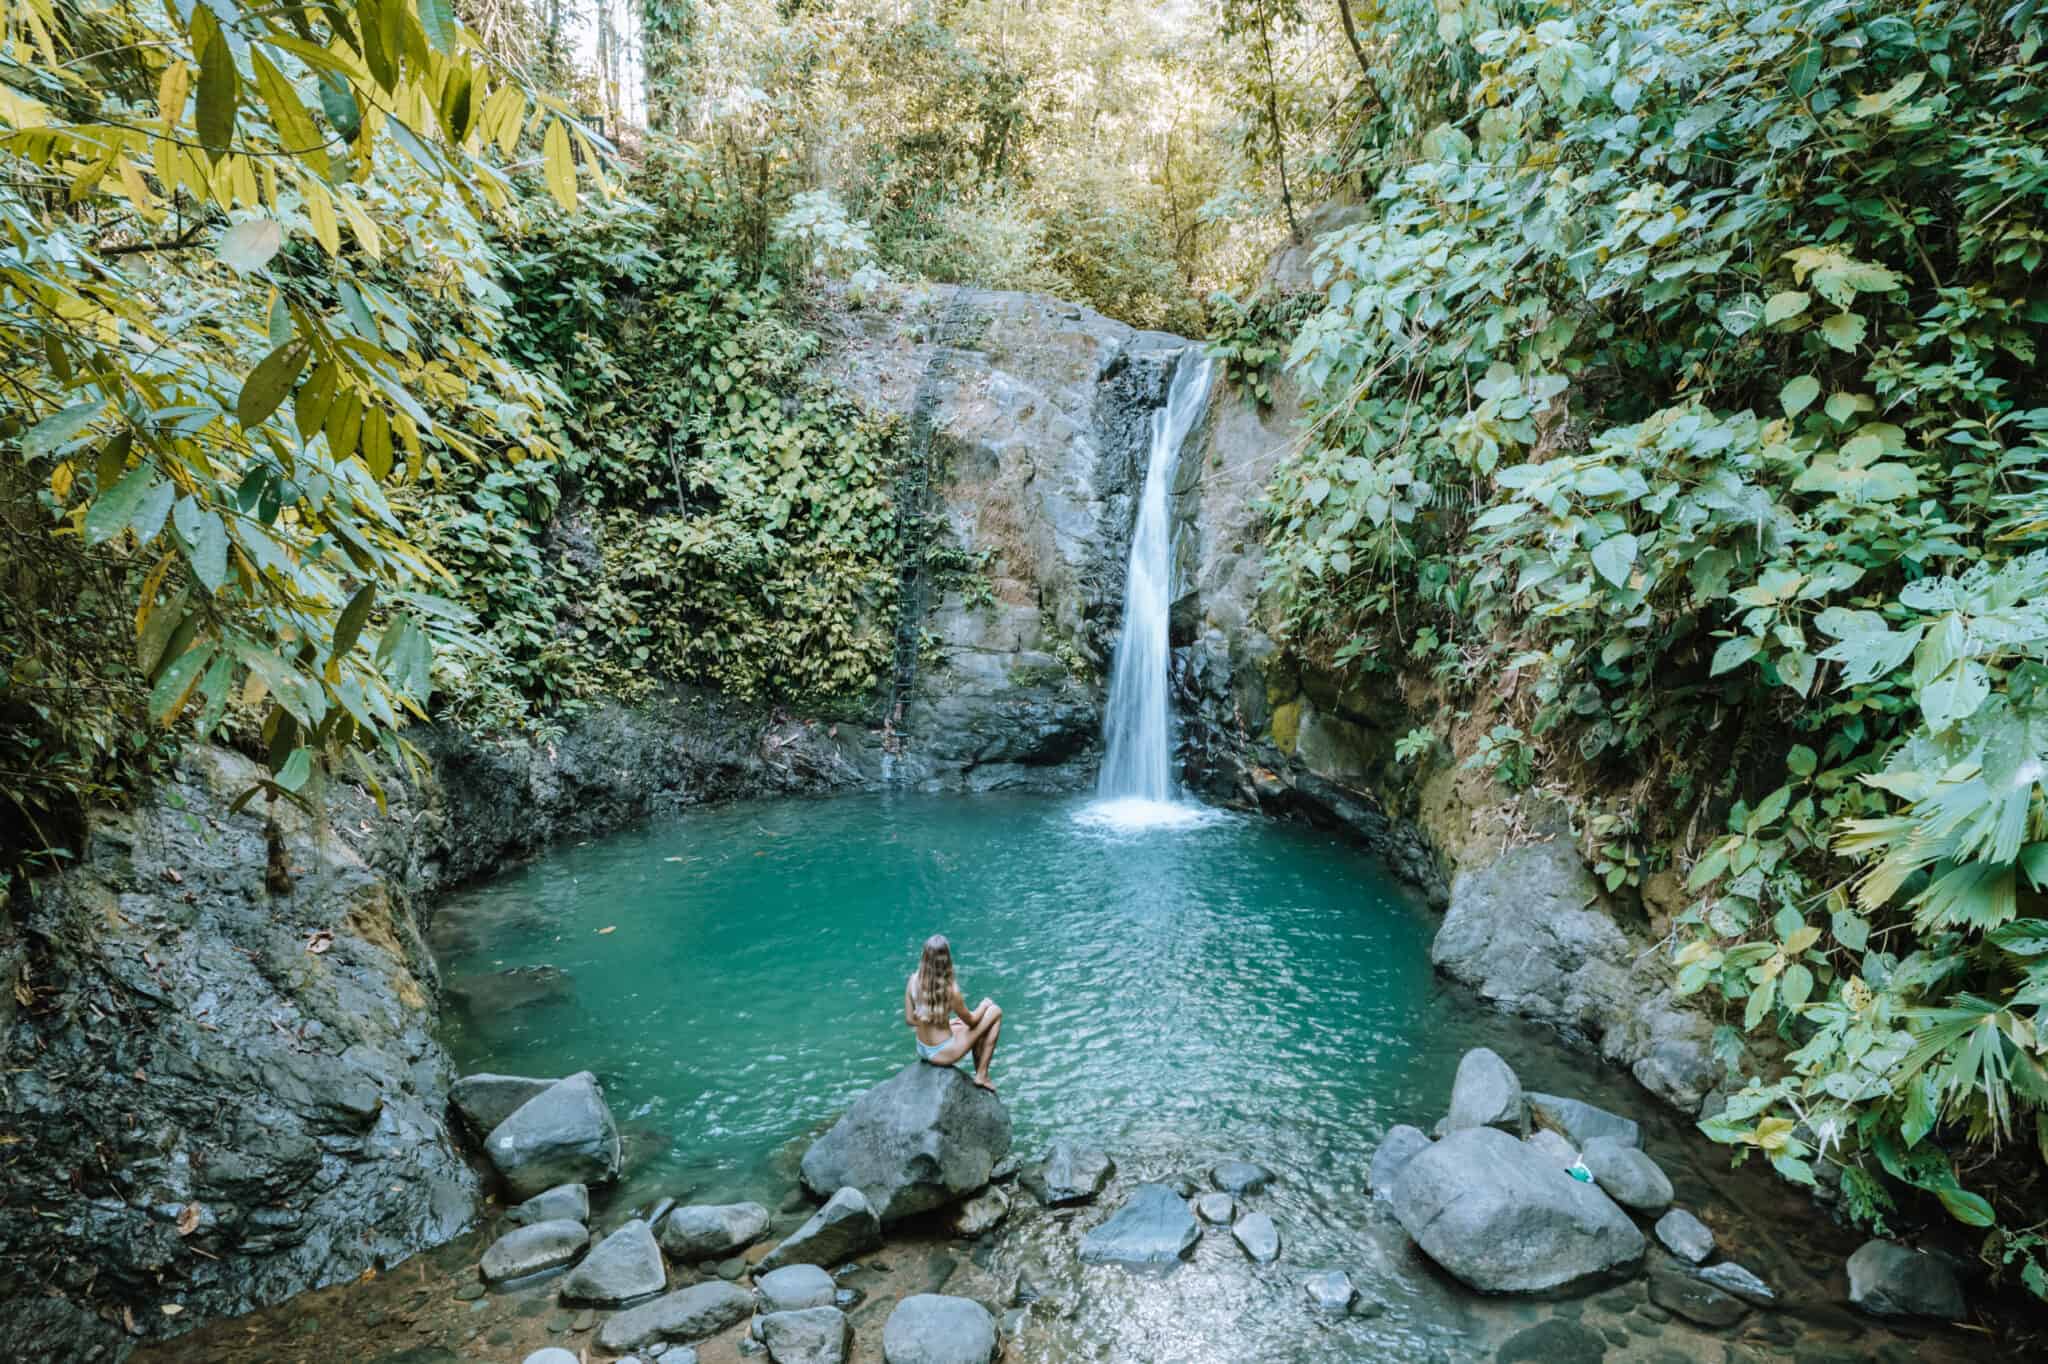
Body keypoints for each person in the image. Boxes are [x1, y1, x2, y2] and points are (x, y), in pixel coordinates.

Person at [904, 933, 1003, 1093]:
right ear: (946, 960)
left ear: (924, 957)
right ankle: (982, 1074)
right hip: (943, 1052)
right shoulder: (950, 989)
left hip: (922, 1048)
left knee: (960, 1023)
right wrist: (983, 1006)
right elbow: (972, 1021)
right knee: (995, 1012)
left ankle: (980, 1074)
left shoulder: (913, 980)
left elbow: (910, 1020)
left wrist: (944, 1023)